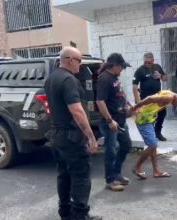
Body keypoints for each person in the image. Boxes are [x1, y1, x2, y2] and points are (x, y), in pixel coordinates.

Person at [45, 47, 101, 220]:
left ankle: (65, 212)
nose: (81, 65)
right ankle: (80, 215)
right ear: (69, 59)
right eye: (79, 61)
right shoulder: (68, 80)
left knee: (64, 174)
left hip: (57, 135)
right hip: (71, 137)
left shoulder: (52, 78)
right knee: (80, 176)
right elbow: (77, 111)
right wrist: (91, 137)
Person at [130, 90, 177, 179]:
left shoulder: (170, 96)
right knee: (152, 145)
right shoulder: (169, 97)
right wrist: (135, 107)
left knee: (153, 146)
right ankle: (137, 167)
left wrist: (153, 115)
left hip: (149, 119)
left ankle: (156, 171)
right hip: (143, 119)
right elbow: (150, 98)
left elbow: (157, 105)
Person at [96, 53, 133, 192]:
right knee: (111, 150)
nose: (122, 70)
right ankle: (110, 180)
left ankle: (116, 173)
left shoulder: (115, 77)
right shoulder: (104, 78)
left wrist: (128, 106)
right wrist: (110, 120)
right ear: (115, 65)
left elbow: (120, 95)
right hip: (111, 122)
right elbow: (100, 101)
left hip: (121, 120)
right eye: (122, 67)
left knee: (126, 145)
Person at [132, 52, 168, 141]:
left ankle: (158, 132)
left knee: (162, 114)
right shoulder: (140, 70)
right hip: (146, 99)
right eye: (145, 62)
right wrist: (138, 101)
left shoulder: (157, 67)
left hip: (158, 97)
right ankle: (151, 135)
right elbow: (134, 86)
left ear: (153, 61)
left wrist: (160, 76)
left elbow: (165, 78)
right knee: (149, 117)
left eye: (149, 62)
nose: (147, 64)